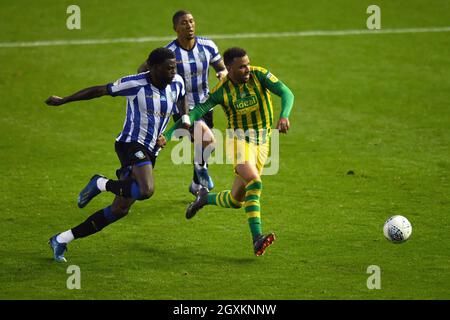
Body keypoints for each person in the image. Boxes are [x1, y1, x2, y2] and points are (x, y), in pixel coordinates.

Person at [45, 48, 187, 262]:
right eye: (168, 68)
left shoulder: (177, 82)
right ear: (153, 67)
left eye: (174, 67)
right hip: (130, 143)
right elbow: (99, 90)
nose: (172, 72)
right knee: (146, 190)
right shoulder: (135, 84)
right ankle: (100, 183)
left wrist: (176, 126)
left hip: (151, 150)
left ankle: (62, 239)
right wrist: (64, 100)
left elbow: (181, 101)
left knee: (120, 209)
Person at [159, 47, 295, 256]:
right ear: (229, 68)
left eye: (247, 64)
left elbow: (286, 92)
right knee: (255, 181)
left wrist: (284, 116)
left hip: (263, 143)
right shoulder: (221, 91)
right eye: (241, 67)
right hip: (239, 142)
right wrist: (167, 136)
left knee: (236, 200)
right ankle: (257, 238)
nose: (246, 69)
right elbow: (194, 113)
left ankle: (204, 198)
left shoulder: (259, 75)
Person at [138, 10, 227, 196]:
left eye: (192, 21)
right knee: (208, 140)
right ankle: (200, 170)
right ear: (175, 28)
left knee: (202, 143)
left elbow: (221, 67)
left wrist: (222, 74)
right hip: (182, 107)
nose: (189, 25)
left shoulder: (207, 46)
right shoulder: (169, 53)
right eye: (184, 23)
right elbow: (144, 69)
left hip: (205, 104)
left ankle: (196, 184)